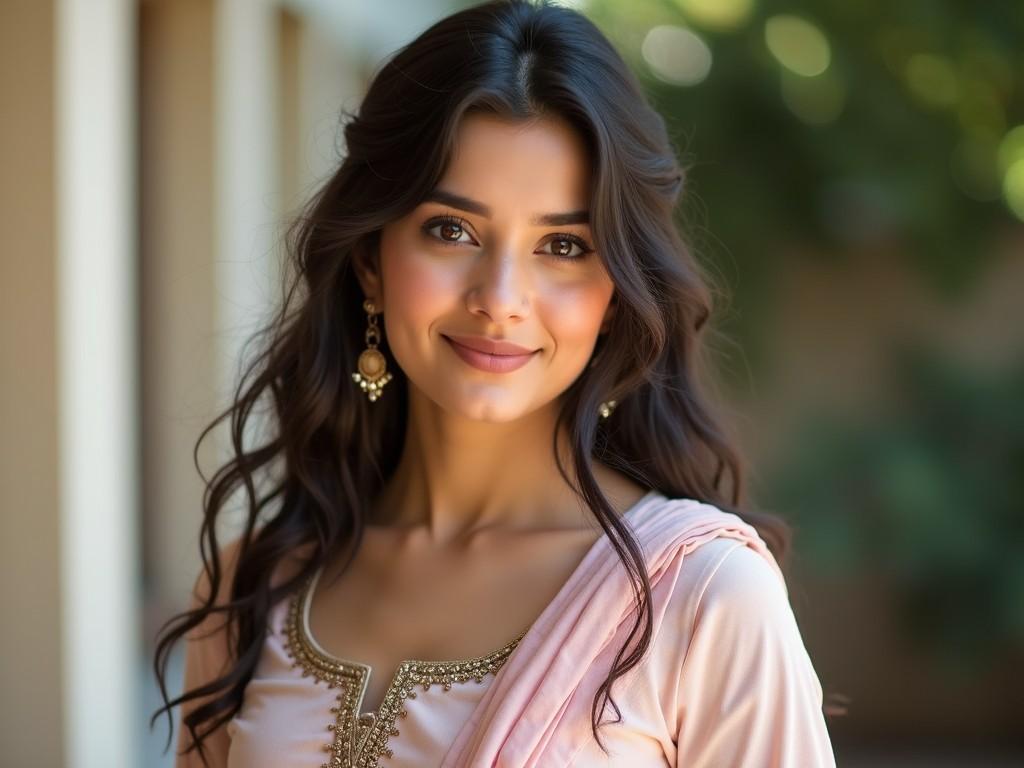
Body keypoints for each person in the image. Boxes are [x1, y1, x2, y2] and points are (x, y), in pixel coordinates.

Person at [152, 1, 839, 765]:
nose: (501, 296)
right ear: (371, 262)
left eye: (564, 244)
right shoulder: (252, 588)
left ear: (617, 294)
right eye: (452, 230)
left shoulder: (703, 597)